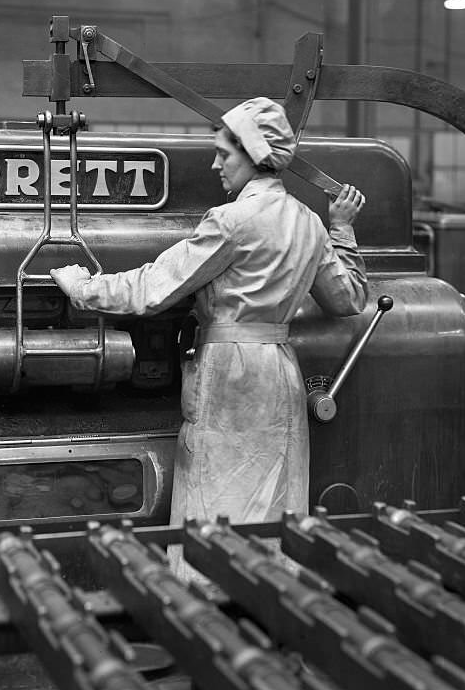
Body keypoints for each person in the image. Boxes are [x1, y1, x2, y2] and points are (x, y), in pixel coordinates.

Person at [50, 96, 367, 543]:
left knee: (216, 501)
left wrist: (82, 287)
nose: (216, 165)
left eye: (224, 154)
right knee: (274, 500)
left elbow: (153, 288)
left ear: (255, 153)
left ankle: (210, 594)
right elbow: (349, 298)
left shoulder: (231, 221)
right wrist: (343, 228)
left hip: (229, 374)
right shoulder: (310, 224)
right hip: (279, 371)